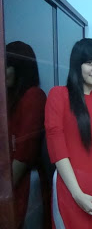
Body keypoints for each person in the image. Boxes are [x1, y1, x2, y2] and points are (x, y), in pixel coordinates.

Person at [45, 38, 92, 229]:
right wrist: (77, 194)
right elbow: (57, 146)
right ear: (77, 64)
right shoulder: (58, 95)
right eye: (90, 62)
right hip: (70, 186)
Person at [6, 41, 47, 228]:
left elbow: (24, 153)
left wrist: (4, 189)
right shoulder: (12, 98)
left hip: (25, 184)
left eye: (7, 66)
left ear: (19, 68)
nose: (4, 71)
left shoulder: (33, 96)